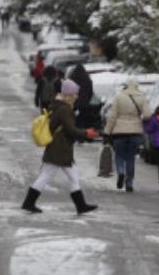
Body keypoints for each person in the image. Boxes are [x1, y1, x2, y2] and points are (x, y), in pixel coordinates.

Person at [22, 79, 100, 214]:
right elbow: (71, 130)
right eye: (74, 94)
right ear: (68, 95)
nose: (76, 96)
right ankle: (29, 203)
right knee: (47, 176)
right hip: (60, 149)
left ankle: (81, 205)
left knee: (72, 176)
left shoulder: (57, 105)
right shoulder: (65, 109)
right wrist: (86, 133)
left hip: (59, 148)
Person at [104, 79, 149, 192]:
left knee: (119, 155)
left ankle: (121, 171)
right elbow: (147, 115)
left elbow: (112, 116)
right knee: (130, 157)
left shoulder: (119, 97)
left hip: (119, 132)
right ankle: (129, 182)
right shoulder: (142, 97)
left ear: (126, 86)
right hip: (135, 132)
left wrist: (107, 131)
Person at [68, 64, 97, 129]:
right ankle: (83, 129)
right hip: (84, 104)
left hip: (74, 103)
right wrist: (87, 100)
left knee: (73, 119)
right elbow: (90, 93)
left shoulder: (72, 80)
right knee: (83, 119)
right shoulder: (88, 80)